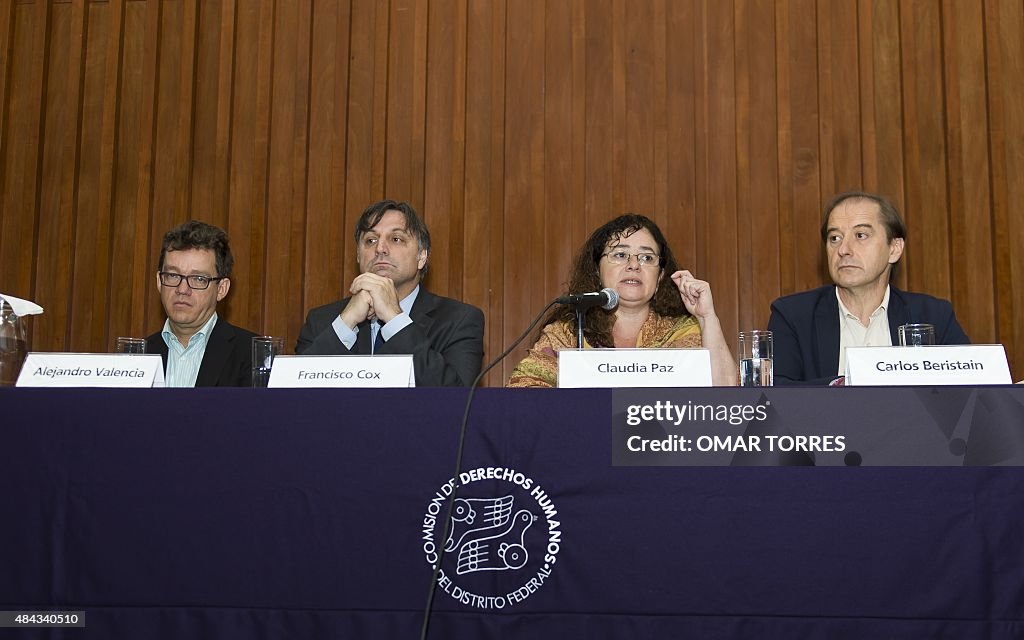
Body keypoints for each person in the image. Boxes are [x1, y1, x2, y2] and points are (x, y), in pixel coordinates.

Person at [507, 214, 736, 387]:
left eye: (647, 257)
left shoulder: (683, 332)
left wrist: (706, 317)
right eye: (620, 254)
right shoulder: (568, 334)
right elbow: (523, 391)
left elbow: (727, 396)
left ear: (660, 278)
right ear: (597, 271)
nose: (634, 265)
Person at [768, 191, 970, 385]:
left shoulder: (933, 316)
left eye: (861, 235)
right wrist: (848, 384)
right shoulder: (793, 316)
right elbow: (778, 395)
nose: (843, 250)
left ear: (894, 249)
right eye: (834, 238)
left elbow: (973, 390)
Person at [295, 200, 484, 387]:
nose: (380, 249)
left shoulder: (459, 321)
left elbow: (456, 400)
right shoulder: (322, 321)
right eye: (370, 240)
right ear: (359, 256)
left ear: (422, 257)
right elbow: (292, 397)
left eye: (396, 239)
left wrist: (395, 318)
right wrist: (347, 322)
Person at [146, 221, 257, 387]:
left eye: (198, 279)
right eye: (173, 276)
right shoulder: (138, 355)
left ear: (222, 289)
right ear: (159, 282)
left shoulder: (252, 355)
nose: (182, 289)